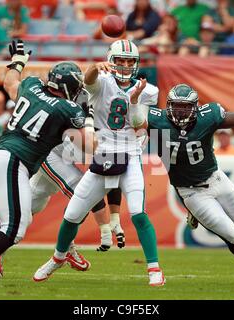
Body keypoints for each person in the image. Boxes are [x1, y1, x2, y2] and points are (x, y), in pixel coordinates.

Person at [0, 39, 97, 288]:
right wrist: (88, 119)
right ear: (69, 87)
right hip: (13, 162)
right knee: (15, 228)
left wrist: (18, 62)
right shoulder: (67, 108)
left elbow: (10, 83)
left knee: (20, 219)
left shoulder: (31, 85)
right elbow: (89, 147)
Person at [33, 39, 165, 286]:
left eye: (129, 61)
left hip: (130, 152)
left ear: (136, 64)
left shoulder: (148, 90)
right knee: (72, 214)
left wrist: (135, 100)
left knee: (137, 212)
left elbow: (139, 125)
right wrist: (96, 65)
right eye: (121, 60)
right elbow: (88, 79)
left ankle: (154, 268)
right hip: (103, 154)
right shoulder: (102, 80)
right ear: (111, 60)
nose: (125, 65)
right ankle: (58, 257)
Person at [147, 83, 234, 287]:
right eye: (176, 106)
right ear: (168, 106)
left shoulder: (207, 117)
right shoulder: (156, 120)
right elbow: (129, 120)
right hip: (191, 193)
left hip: (216, 179)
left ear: (195, 108)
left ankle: (196, 216)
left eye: (186, 107)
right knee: (231, 234)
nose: (181, 111)